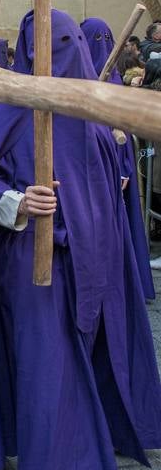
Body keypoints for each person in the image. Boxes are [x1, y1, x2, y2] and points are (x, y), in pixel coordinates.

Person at [0, 9, 161, 470]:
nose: (53, 56)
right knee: (45, 366)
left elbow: (106, 190)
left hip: (88, 261)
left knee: (74, 364)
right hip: (29, 264)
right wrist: (17, 203)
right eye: (43, 45)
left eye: (63, 44)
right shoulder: (8, 109)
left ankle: (74, 452)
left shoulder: (90, 110)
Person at [81, 17, 155, 301]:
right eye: (95, 39)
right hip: (93, 162)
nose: (102, 46)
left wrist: (124, 166)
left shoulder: (113, 77)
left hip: (118, 161)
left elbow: (122, 127)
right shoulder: (80, 74)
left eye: (106, 39)